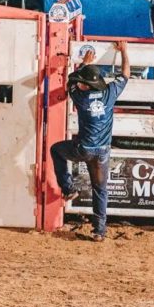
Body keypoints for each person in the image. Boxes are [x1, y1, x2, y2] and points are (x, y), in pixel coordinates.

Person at [50, 42, 130, 242]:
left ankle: (69, 188)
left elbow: (71, 81)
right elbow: (126, 74)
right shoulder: (109, 93)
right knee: (100, 189)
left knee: (56, 150)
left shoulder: (80, 97)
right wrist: (124, 52)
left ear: (85, 85)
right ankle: (99, 231)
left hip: (84, 148)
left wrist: (84, 63)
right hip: (102, 151)